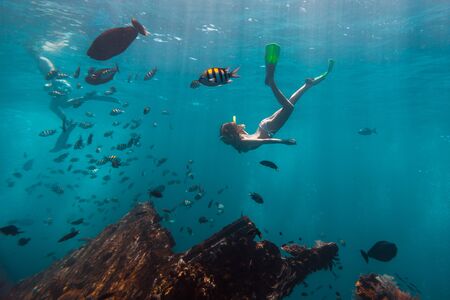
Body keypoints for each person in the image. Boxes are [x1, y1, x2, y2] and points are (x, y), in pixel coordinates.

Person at [220, 43, 334, 153]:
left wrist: (283, 141)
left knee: (289, 108)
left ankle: (271, 82)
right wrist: (233, 130)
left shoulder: (242, 141)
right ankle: (307, 85)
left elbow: (265, 141)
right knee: (290, 103)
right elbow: (243, 137)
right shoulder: (239, 138)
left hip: (269, 128)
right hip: (263, 125)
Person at [30, 46, 120, 125]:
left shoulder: (41, 60)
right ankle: (71, 115)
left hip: (61, 86)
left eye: (31, 52)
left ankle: (87, 98)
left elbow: (53, 74)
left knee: (60, 105)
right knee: (57, 106)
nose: (30, 54)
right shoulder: (40, 60)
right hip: (59, 85)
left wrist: (49, 85)